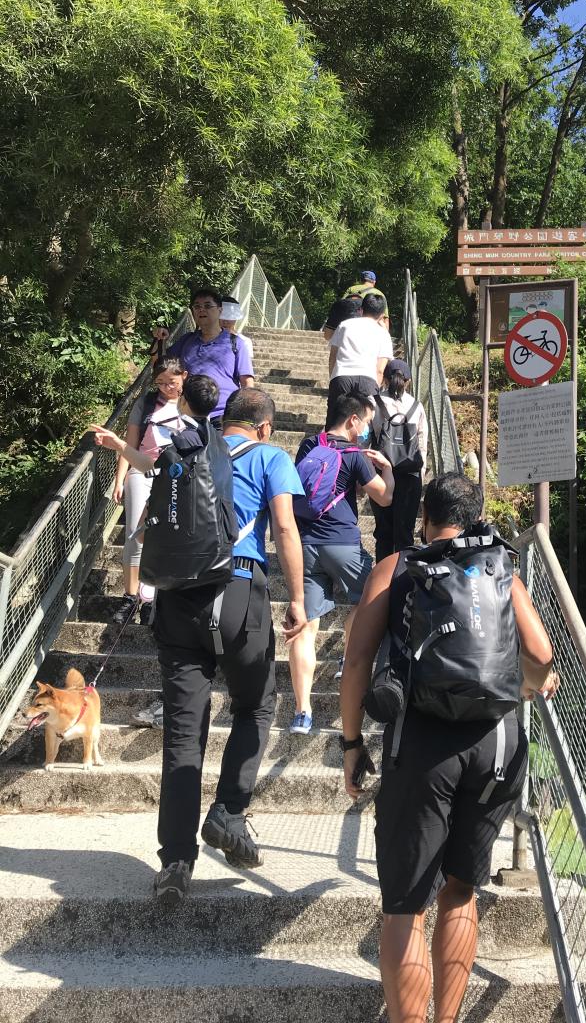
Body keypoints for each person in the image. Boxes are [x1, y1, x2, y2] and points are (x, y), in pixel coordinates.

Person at [339, 473, 557, 1023]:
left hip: (424, 745)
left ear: (425, 516)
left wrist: (350, 743)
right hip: (499, 744)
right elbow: (542, 653)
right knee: (460, 893)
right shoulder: (501, 569)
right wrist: (527, 684)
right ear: (478, 514)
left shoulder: (397, 568)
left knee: (406, 906)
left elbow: (357, 661)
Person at [93, 384, 308, 903]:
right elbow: (283, 526)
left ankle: (175, 864)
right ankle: (229, 813)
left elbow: (147, 523)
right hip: (239, 594)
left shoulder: (179, 451)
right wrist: (297, 599)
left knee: (184, 735)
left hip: (180, 602)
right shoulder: (270, 457)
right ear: (263, 427)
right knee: (256, 705)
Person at [288, 392, 394, 734]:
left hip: (304, 545)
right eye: (365, 422)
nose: (366, 430)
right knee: (372, 600)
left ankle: (302, 712)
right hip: (344, 545)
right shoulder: (354, 454)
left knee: (304, 626)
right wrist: (387, 470)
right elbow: (385, 496)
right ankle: (348, 657)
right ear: (352, 420)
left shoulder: (308, 446)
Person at [110, 357, 189, 625]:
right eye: (161, 383)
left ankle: (151, 599)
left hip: (174, 477)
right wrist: (119, 479)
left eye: (173, 382)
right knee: (135, 534)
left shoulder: (191, 405)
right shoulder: (145, 404)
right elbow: (129, 445)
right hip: (141, 473)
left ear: (185, 377)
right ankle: (130, 597)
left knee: (166, 537)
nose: (167, 388)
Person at [152, 288, 254, 425]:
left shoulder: (236, 343)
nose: (201, 310)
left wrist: (244, 416)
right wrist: (159, 339)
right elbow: (159, 365)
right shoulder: (186, 340)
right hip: (187, 413)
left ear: (220, 310)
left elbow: (247, 383)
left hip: (222, 416)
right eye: (197, 306)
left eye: (207, 306)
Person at [370, 359, 428, 562]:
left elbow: (365, 438)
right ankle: (403, 580)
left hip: (381, 473)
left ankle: (381, 578)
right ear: (408, 381)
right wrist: (420, 475)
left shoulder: (373, 402)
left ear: (384, 378)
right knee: (405, 533)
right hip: (410, 475)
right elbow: (422, 444)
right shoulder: (417, 406)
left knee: (383, 531)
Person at [327, 292, 393, 412]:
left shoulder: (344, 325)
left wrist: (333, 379)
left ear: (361, 310)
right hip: (368, 380)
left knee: (335, 420)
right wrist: (374, 391)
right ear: (382, 315)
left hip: (342, 376)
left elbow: (333, 357)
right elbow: (379, 370)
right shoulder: (384, 334)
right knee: (365, 424)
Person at [219, 300, 255, 376]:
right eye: (222, 316)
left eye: (229, 317)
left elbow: (245, 370)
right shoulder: (207, 338)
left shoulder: (244, 341)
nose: (225, 321)